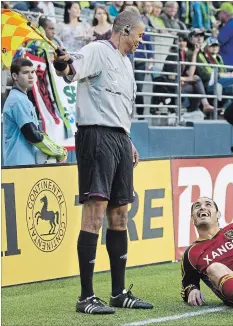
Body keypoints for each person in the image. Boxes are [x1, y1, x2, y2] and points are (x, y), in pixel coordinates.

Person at [53, 11, 153, 314]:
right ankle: (86, 296)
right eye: (138, 35)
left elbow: (119, 107)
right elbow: (69, 70)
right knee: (95, 211)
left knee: (120, 213)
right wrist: (63, 62)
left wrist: (129, 139)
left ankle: (118, 292)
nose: (140, 41)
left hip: (120, 138)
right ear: (124, 30)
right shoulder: (97, 50)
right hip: (95, 136)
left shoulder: (126, 63)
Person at [3, 58, 67, 166]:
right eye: (25, 72)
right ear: (15, 76)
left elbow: (36, 133)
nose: (31, 76)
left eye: (32, 72)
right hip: (19, 165)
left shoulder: (22, 98)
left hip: (24, 164)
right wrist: (58, 152)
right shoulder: (18, 100)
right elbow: (32, 134)